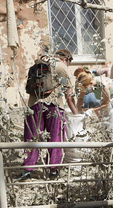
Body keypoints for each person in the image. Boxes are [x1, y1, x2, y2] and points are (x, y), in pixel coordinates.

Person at [15, 49, 77, 181]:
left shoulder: (39, 63)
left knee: (32, 137)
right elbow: (69, 95)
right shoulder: (62, 67)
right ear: (66, 59)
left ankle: (26, 170)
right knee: (55, 137)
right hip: (54, 106)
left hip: (34, 105)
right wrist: (76, 113)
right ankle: (53, 170)